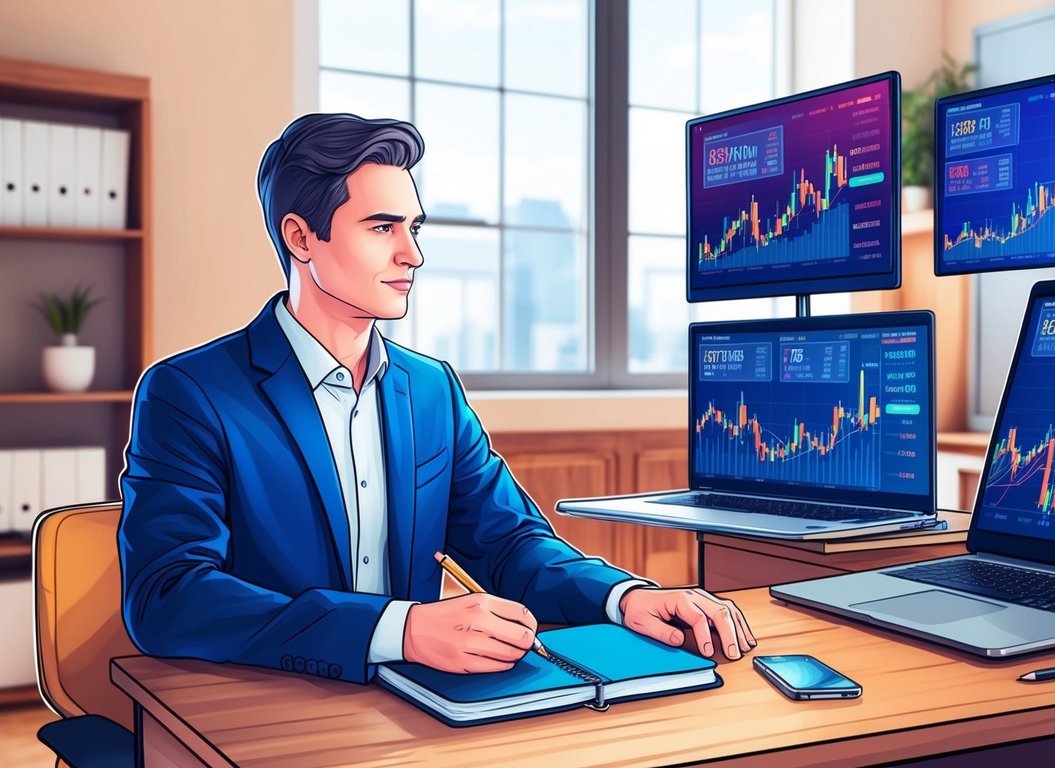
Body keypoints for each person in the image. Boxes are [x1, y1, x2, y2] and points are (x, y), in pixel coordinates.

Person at [119, 113, 755, 684]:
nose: (412, 254)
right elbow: (170, 595)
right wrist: (400, 630)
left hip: (419, 705)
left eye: (413, 227)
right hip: (268, 701)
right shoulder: (191, 393)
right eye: (382, 227)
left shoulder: (431, 390)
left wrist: (624, 598)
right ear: (301, 238)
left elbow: (510, 543)